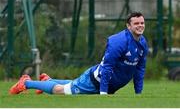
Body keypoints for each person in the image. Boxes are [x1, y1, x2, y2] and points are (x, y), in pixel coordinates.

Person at [9, 12, 149, 95]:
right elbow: (107, 68)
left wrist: (138, 94)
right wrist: (103, 93)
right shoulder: (118, 42)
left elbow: (140, 69)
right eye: (136, 23)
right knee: (60, 91)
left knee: (71, 84)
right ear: (128, 26)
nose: (140, 25)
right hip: (96, 82)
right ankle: (26, 82)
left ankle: (47, 81)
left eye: (142, 23)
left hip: (103, 84)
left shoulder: (142, 43)